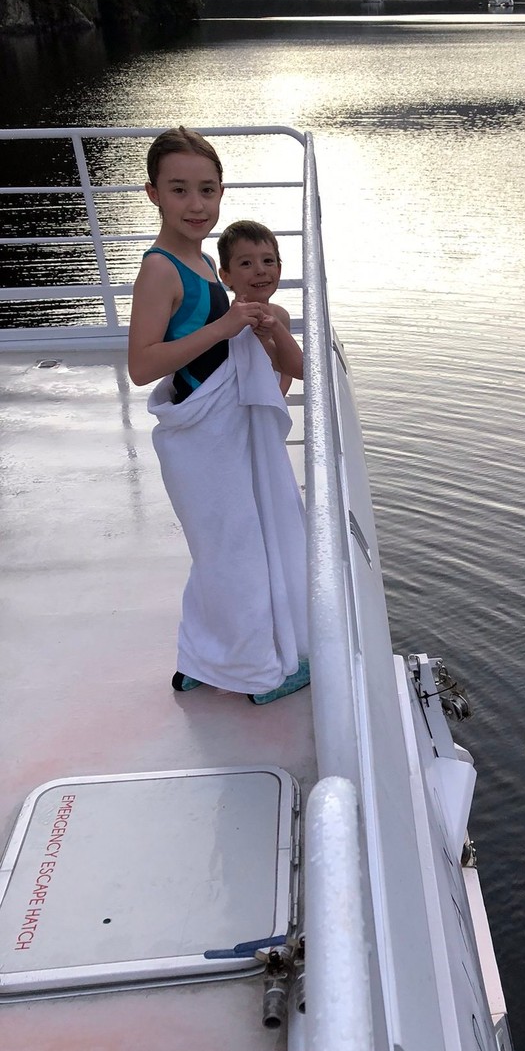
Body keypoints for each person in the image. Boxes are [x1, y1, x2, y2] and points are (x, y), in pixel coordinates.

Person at [128, 126, 310, 705]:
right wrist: (227, 326)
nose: (196, 204)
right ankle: (255, 672)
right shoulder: (161, 268)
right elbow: (141, 365)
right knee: (233, 551)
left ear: (221, 193)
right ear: (153, 193)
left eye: (207, 190)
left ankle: (206, 658)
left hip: (222, 432)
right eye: (179, 190)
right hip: (203, 437)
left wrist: (254, 329)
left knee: (225, 549)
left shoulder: (205, 261)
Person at [217, 219, 303, 397]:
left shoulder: (279, 315)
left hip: (268, 401)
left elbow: (294, 371)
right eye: (246, 263)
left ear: (279, 270)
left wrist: (278, 400)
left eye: (268, 261)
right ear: (226, 276)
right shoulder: (226, 320)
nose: (260, 270)